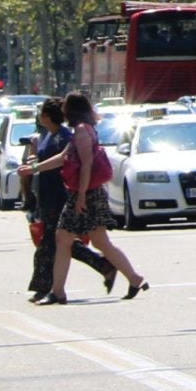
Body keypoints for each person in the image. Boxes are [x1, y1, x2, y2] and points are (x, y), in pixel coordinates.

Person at [45, 93, 143, 304]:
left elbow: (87, 165)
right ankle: (134, 279)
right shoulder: (83, 130)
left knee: (64, 239)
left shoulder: (81, 131)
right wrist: (34, 168)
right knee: (98, 241)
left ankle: (58, 292)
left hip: (86, 193)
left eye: (65, 108)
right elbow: (63, 158)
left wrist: (80, 196)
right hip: (89, 191)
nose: (62, 111)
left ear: (71, 110)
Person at [19, 100, 113, 303]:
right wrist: (33, 166)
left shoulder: (65, 137)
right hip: (47, 194)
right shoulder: (47, 136)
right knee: (60, 240)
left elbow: (73, 164)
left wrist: (79, 194)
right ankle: (101, 266)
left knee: (53, 242)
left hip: (60, 194)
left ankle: (48, 288)